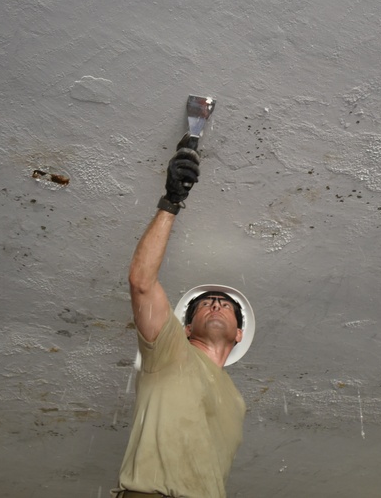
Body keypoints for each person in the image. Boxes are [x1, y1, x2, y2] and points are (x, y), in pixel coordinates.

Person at [113, 137, 255, 498]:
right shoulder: (171, 351)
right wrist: (171, 201)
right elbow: (142, 283)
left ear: (239, 334)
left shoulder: (238, 402)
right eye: (205, 303)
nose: (216, 305)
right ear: (186, 327)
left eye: (226, 305)